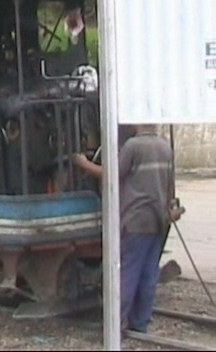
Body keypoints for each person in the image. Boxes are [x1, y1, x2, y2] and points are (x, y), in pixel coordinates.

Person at [73, 124, 185, 333]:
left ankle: (117, 326)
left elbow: (112, 175)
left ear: (137, 122)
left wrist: (84, 163)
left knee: (128, 273)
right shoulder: (164, 147)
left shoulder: (133, 146)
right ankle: (140, 323)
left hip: (136, 221)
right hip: (159, 220)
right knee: (149, 274)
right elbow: (170, 187)